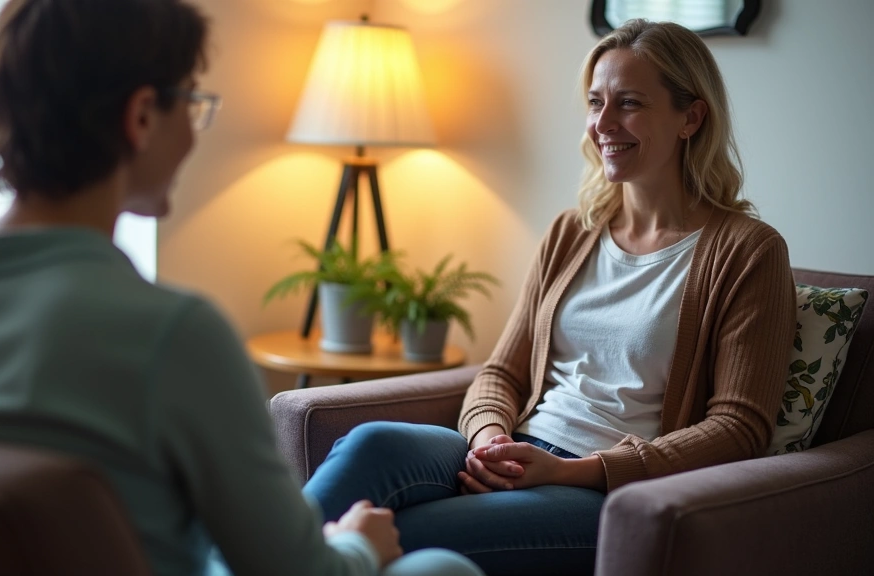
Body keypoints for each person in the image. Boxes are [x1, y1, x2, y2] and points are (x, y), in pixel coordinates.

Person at [0, 1, 484, 576]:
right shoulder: (171, 334)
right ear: (143, 115)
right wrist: (357, 547)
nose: (193, 129)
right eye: (194, 103)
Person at [301, 18, 796, 576]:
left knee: (391, 535)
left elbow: (738, 429)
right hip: (519, 446)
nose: (602, 124)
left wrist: (569, 471)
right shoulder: (572, 231)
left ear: (691, 117)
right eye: (595, 102)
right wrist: (489, 440)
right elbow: (501, 374)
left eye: (629, 103)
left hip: (602, 492)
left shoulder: (748, 251)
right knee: (371, 444)